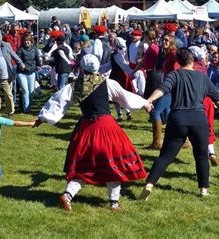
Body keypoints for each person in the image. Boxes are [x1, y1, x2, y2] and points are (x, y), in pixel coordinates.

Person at [35, 54, 152, 211]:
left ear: (83, 68)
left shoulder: (74, 86)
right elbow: (125, 97)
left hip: (86, 128)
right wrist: (144, 102)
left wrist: (42, 118)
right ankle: (114, 203)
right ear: (97, 67)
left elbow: (58, 102)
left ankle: (68, 195)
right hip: (106, 127)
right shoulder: (108, 83)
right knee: (114, 164)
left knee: (84, 166)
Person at [138, 48, 219, 200]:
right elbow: (216, 96)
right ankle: (203, 189)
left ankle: (149, 185)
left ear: (178, 62)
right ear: (193, 61)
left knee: (165, 156)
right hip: (199, 119)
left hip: (178, 118)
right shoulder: (202, 77)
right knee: (201, 155)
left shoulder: (175, 75)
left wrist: (149, 100)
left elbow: (162, 89)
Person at [0, 28, 25, 116]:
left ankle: (10, 112)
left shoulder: (6, 45)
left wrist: (20, 63)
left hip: (6, 75)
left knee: (8, 94)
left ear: (0, 37)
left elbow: (14, 55)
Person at [16, 34, 41, 113]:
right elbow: (17, 60)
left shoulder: (34, 49)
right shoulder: (20, 49)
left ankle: (29, 108)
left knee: (31, 92)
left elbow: (37, 59)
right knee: (25, 90)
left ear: (31, 41)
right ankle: (26, 109)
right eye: (25, 40)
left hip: (31, 72)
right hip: (22, 72)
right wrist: (20, 65)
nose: (27, 42)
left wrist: (38, 65)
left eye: (28, 40)